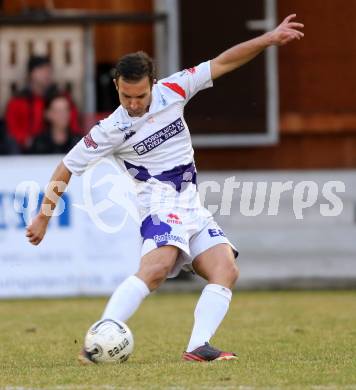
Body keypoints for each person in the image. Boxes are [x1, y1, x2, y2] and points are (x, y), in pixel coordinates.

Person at [26, 14, 304, 362]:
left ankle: (198, 347)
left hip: (191, 202)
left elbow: (223, 62)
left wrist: (268, 39)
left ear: (153, 84)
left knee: (225, 270)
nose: (133, 104)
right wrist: (43, 216)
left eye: (140, 96)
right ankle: (99, 338)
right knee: (156, 269)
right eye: (126, 96)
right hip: (157, 202)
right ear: (117, 87)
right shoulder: (110, 129)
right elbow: (66, 166)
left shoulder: (174, 89)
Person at [5, 55, 81, 153]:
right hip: (24, 150)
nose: (46, 74)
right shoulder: (18, 101)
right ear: (31, 73)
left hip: (58, 147)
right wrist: (26, 141)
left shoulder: (62, 98)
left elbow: (73, 125)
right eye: (41, 70)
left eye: (49, 71)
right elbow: (11, 130)